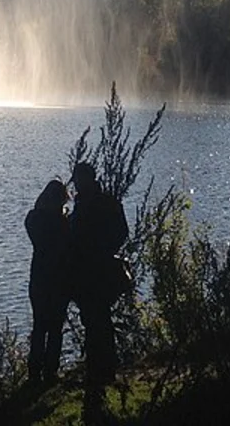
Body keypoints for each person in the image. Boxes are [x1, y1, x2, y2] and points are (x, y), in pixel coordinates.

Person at [68, 160, 129, 390]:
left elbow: (119, 232)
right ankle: (101, 369)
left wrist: (100, 251)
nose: (76, 186)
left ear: (87, 180)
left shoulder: (98, 204)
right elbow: (122, 232)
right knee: (97, 320)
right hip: (91, 271)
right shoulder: (103, 202)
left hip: (93, 271)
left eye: (79, 181)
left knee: (97, 320)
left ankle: (100, 370)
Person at [24, 178, 70, 384]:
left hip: (39, 278)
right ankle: (50, 371)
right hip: (59, 278)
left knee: (39, 326)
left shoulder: (33, 219)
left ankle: (34, 371)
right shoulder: (62, 223)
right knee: (55, 328)